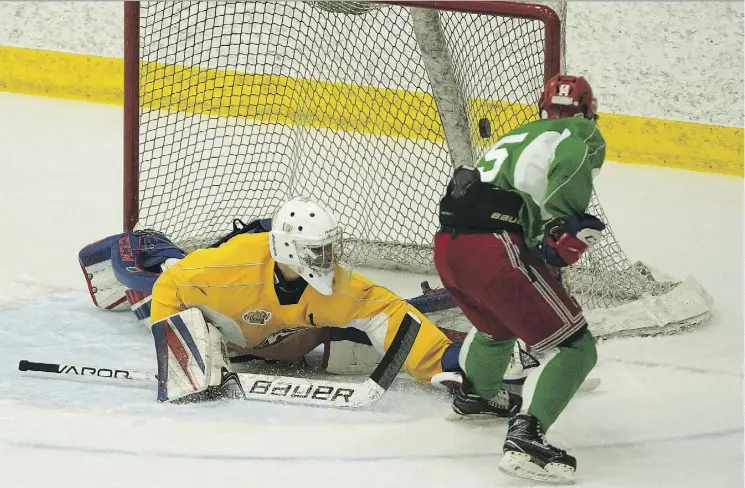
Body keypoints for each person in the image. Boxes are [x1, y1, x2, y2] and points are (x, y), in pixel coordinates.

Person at [433, 74, 605, 484]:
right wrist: (560, 231)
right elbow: (560, 214)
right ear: (589, 108)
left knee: (497, 327)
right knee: (576, 348)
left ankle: (476, 396)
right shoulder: (582, 134)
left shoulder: (518, 133)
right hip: (496, 250)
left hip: (449, 245)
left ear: (542, 106)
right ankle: (527, 440)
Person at [146, 196, 463, 402]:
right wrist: (183, 361)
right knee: (162, 272)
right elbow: (169, 286)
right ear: (286, 249)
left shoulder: (334, 285)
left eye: (328, 248)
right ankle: (149, 247)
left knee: (347, 333)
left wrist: (443, 361)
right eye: (316, 251)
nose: (327, 258)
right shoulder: (229, 270)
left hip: (276, 341)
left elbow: (387, 312)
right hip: (237, 329)